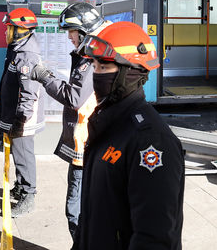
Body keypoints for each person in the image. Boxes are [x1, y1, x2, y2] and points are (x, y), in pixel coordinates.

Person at [73, 21, 184, 249]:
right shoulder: (107, 123)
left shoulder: (151, 141)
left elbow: (154, 238)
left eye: (104, 68)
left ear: (131, 72)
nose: (96, 75)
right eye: (94, 67)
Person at [28, 2, 108, 238]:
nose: (69, 38)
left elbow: (74, 97)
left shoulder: (89, 58)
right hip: (92, 140)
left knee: (76, 209)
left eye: (71, 33)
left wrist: (45, 77)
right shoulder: (95, 52)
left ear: (82, 30)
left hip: (86, 143)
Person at [0, 7, 46, 218]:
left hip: (23, 117)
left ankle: (29, 195)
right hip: (17, 114)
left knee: (24, 155)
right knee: (18, 154)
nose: (5, 31)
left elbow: (28, 93)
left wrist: (21, 121)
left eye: (9, 27)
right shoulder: (17, 48)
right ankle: (20, 186)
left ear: (20, 30)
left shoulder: (26, 56)